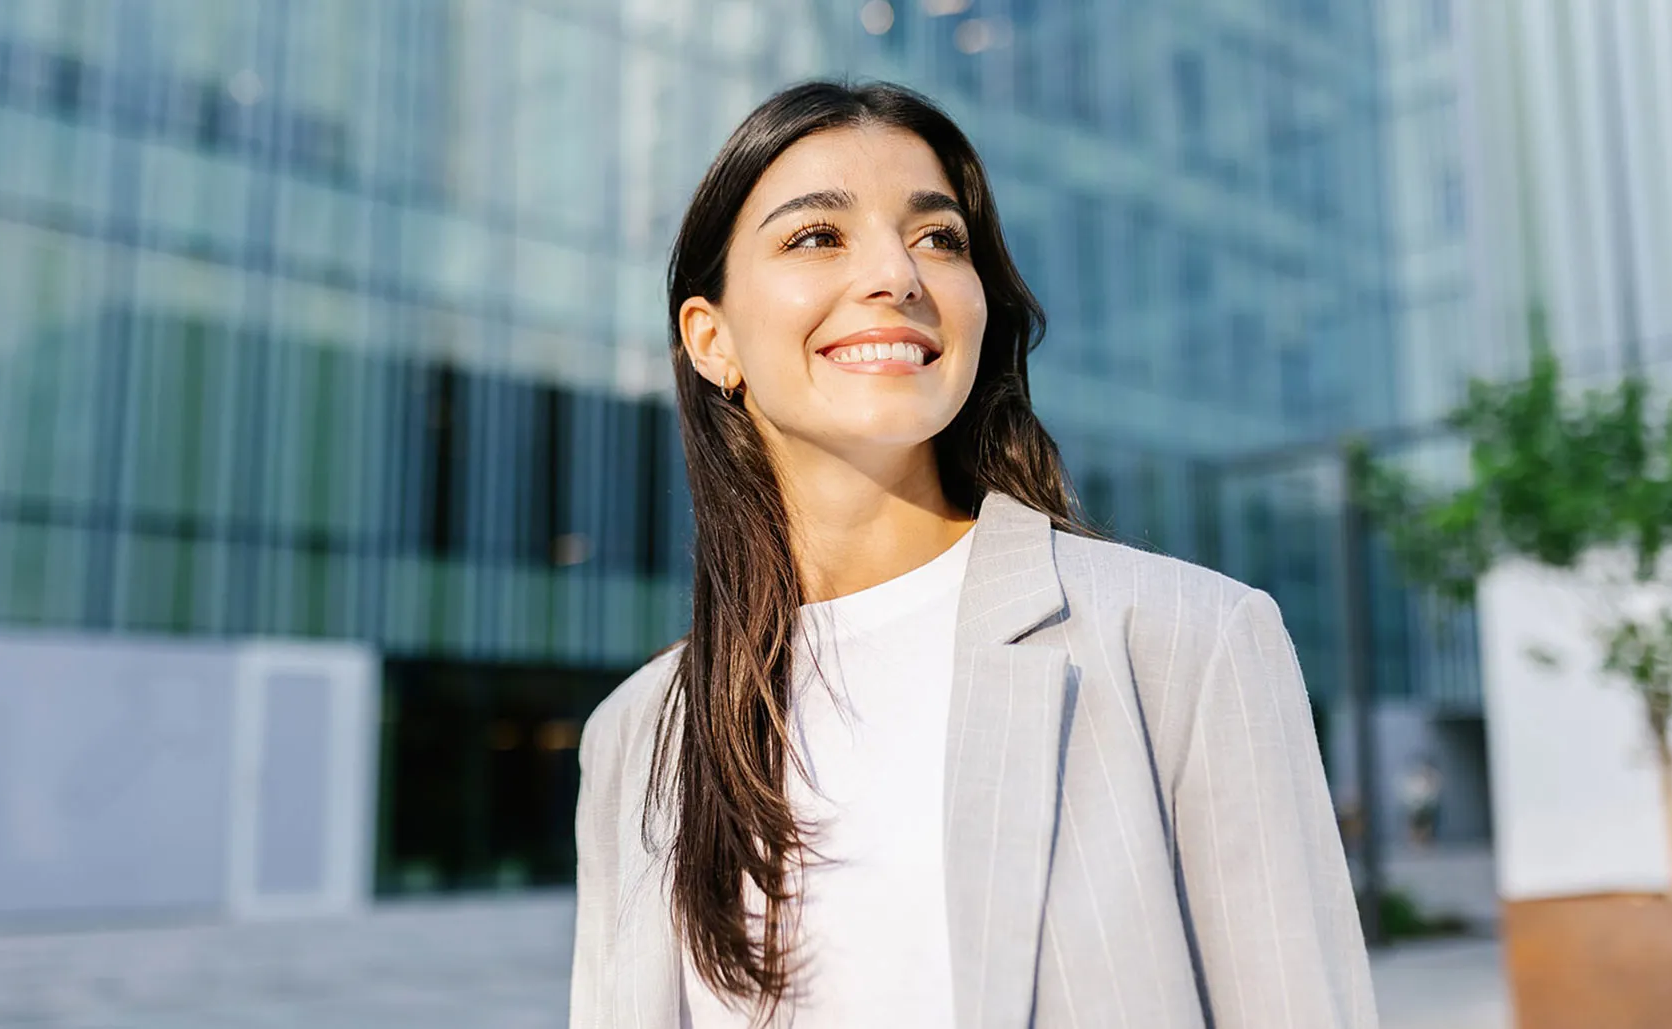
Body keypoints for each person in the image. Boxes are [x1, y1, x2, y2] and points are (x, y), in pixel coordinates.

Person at [569, 80, 1376, 1029]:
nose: (897, 276)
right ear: (712, 341)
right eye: (817, 236)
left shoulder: (1186, 642)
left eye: (938, 238)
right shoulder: (636, 734)